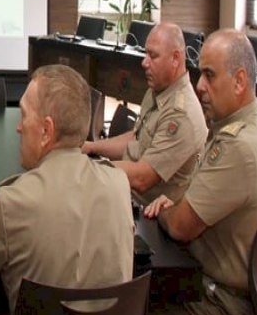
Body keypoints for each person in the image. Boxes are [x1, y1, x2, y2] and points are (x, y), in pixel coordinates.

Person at [0, 64, 134, 315]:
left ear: (46, 130)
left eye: (23, 115)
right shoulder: (119, 185)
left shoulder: (13, 202)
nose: (19, 127)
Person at [144, 29, 257, 315]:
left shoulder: (239, 146)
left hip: (223, 302)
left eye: (209, 75)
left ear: (240, 80)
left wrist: (166, 208)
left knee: (128, 305)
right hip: (230, 288)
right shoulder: (249, 126)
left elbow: (180, 227)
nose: (200, 86)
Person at [82, 22, 207, 203]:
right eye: (145, 53)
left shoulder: (181, 114)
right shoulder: (157, 90)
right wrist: (90, 147)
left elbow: (142, 179)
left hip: (152, 218)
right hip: (130, 195)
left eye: (153, 56)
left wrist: (91, 169)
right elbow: (136, 140)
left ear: (175, 58)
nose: (144, 62)